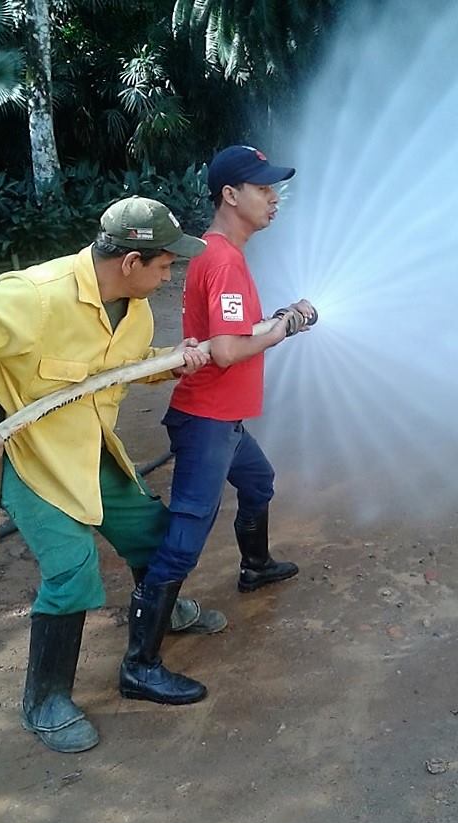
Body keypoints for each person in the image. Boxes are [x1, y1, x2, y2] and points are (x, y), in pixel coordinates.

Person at [0, 196, 226, 754]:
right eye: (164, 265)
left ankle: (157, 608)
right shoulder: (39, 297)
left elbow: (110, 373)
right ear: (132, 263)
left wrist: (169, 359)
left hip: (88, 446)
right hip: (31, 454)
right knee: (72, 568)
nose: (170, 276)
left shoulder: (133, 310)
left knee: (157, 536)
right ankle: (44, 700)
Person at [121, 145, 315, 704]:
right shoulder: (224, 258)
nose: (274, 198)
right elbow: (228, 351)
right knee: (183, 542)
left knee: (258, 483)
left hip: (220, 420)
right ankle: (140, 665)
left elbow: (225, 333)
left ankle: (254, 566)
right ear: (231, 195)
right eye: (263, 188)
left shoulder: (218, 252)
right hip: (207, 421)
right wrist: (285, 327)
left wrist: (276, 319)